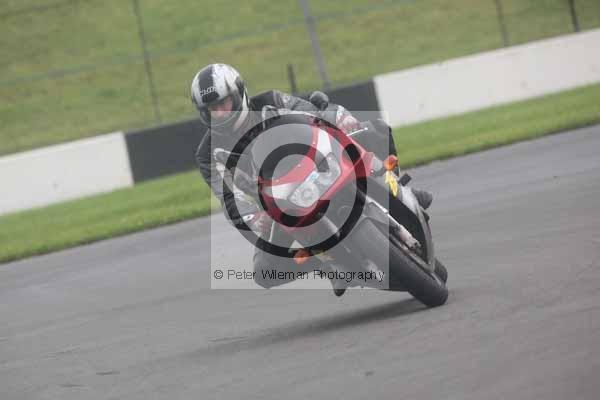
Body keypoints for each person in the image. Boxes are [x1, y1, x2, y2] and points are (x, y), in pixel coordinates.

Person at [191, 63, 432, 296]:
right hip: (276, 201)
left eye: (223, 103)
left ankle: (398, 187)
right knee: (264, 271)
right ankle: (329, 263)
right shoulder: (207, 153)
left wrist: (341, 119)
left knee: (375, 129)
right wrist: (254, 218)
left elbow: (312, 112)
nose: (220, 112)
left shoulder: (270, 101)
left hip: (316, 163)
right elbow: (227, 195)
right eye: (212, 108)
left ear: (239, 94)